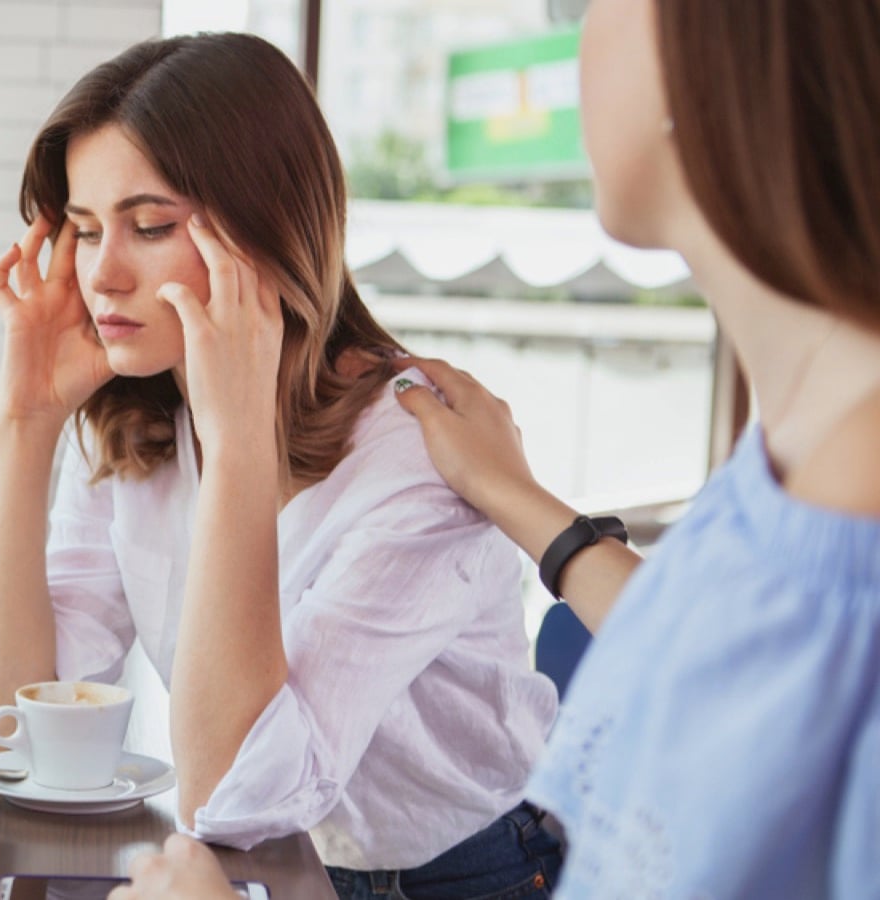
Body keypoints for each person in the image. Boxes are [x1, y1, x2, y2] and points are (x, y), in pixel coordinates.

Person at [116, 0, 880, 897]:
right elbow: (722, 666)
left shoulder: (848, 536)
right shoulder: (776, 484)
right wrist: (515, 496)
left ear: (725, 45)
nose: (578, 35)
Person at [0, 32, 563, 899]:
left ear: (267, 232)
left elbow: (232, 797)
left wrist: (240, 438)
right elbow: (22, 725)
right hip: (270, 867)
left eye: (150, 226)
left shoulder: (414, 453)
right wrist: (22, 426)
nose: (103, 275)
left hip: (457, 878)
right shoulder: (141, 419)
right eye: (86, 231)